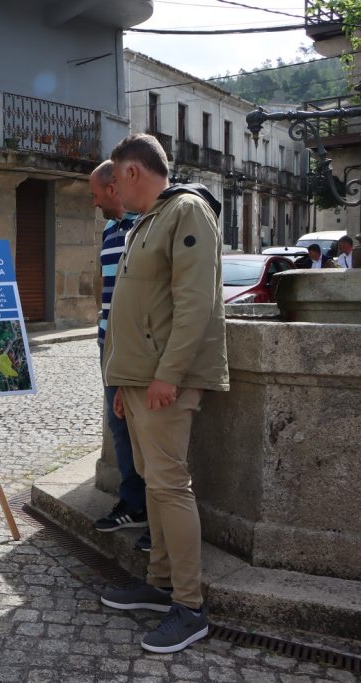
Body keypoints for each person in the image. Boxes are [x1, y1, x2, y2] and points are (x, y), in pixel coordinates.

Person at [99, 134, 229, 654]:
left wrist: (168, 374)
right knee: (154, 484)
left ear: (133, 172)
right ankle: (159, 586)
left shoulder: (187, 212)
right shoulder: (145, 222)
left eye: (114, 179)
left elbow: (194, 303)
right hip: (137, 378)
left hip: (163, 379)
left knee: (170, 485)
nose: (110, 189)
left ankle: (190, 607)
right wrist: (122, 380)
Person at [88, 161, 150, 553]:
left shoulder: (147, 225)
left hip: (136, 347)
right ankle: (134, 503)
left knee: (146, 433)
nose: (94, 203)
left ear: (114, 187)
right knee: (119, 425)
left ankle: (154, 514)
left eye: (96, 194)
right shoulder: (112, 228)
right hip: (108, 344)